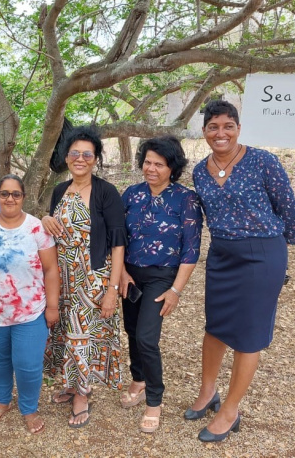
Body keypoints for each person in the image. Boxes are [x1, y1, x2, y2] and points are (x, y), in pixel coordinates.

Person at [187, 99, 295, 442]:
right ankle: (208, 392)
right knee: (216, 327)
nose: (220, 133)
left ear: (238, 128)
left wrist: (278, 252)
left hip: (262, 254)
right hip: (221, 255)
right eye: (213, 127)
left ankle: (230, 409)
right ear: (204, 132)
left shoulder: (262, 161)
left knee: (248, 336)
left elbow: (288, 208)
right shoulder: (199, 170)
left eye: (227, 126)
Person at [42, 124, 127, 429]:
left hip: (92, 279)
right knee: (65, 332)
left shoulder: (106, 192)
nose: (80, 158)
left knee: (83, 338)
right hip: (61, 278)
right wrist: (46, 217)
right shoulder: (58, 190)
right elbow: (53, 230)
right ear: (66, 157)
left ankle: (82, 394)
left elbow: (118, 244)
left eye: (87, 154)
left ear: (95, 159)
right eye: (74, 153)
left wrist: (112, 289)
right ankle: (69, 382)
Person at [0, 175, 60, 435]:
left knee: (28, 364)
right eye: (4, 194)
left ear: (23, 197)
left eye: (15, 194)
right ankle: (2, 401)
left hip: (31, 313)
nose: (10, 198)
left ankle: (29, 408)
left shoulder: (36, 228)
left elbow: (51, 270)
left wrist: (52, 307)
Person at [120, 136, 203, 433]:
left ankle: (154, 401)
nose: (151, 168)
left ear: (172, 167)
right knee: (131, 331)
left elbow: (191, 250)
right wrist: (120, 273)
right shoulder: (131, 194)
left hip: (161, 276)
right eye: (147, 162)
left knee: (146, 337)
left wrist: (176, 290)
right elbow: (118, 237)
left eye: (159, 164)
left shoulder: (186, 199)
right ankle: (138, 380)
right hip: (130, 274)